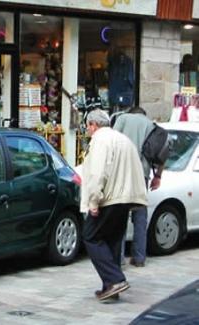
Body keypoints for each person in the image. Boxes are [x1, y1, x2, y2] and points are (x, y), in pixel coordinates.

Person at [81, 109, 147, 302]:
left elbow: (97, 173)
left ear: (94, 125)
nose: (88, 131)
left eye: (88, 127)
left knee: (91, 236)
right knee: (111, 240)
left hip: (109, 198)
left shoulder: (100, 140)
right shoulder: (123, 140)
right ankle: (110, 287)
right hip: (125, 197)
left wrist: (94, 200)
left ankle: (114, 279)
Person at [113, 106, 164, 267]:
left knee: (120, 215)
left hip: (123, 172)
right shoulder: (152, 126)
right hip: (142, 174)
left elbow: (112, 142)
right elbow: (163, 151)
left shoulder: (122, 119)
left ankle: (119, 258)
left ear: (131, 112)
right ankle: (139, 257)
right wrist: (158, 176)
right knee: (140, 216)